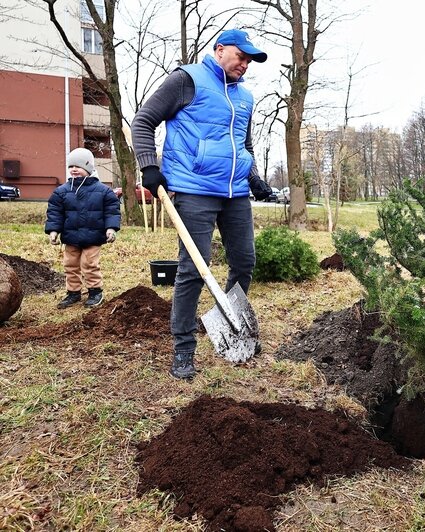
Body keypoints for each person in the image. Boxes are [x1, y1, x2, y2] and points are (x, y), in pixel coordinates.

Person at [131, 29, 270, 380]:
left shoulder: (246, 98)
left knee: (244, 261)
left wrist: (254, 179)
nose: (245, 65)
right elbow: (144, 120)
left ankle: (228, 325)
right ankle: (183, 349)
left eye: (250, 60)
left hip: (235, 192)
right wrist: (149, 166)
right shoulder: (186, 79)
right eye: (241, 56)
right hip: (194, 188)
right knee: (194, 268)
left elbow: (244, 145)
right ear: (220, 49)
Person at [45, 148, 121, 309]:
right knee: (70, 265)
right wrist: (53, 230)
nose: (74, 169)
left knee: (90, 264)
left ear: (89, 167)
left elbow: (112, 211)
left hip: (93, 237)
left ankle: (95, 292)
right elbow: (55, 212)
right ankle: (73, 292)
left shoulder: (103, 191)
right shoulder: (62, 192)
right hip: (71, 237)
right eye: (71, 166)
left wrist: (111, 228)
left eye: (78, 166)